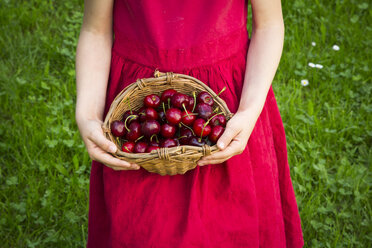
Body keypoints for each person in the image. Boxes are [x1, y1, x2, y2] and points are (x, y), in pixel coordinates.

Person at [75, 0, 305, 247]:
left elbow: (269, 24)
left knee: (231, 227)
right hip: (142, 113)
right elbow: (95, 30)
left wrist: (249, 111)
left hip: (225, 106)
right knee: (144, 230)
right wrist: (88, 114)